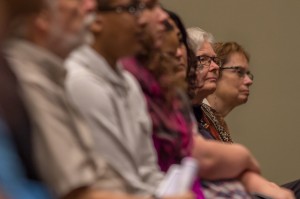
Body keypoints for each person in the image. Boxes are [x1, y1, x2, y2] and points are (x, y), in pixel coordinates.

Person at [65, 0, 194, 199]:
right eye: (131, 9)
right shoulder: (81, 81)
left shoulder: (127, 82)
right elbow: (118, 184)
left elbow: (147, 172)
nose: (142, 20)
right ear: (96, 19)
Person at [186, 26, 295, 199]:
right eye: (239, 72)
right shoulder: (186, 112)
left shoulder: (204, 115)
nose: (249, 80)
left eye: (216, 61)